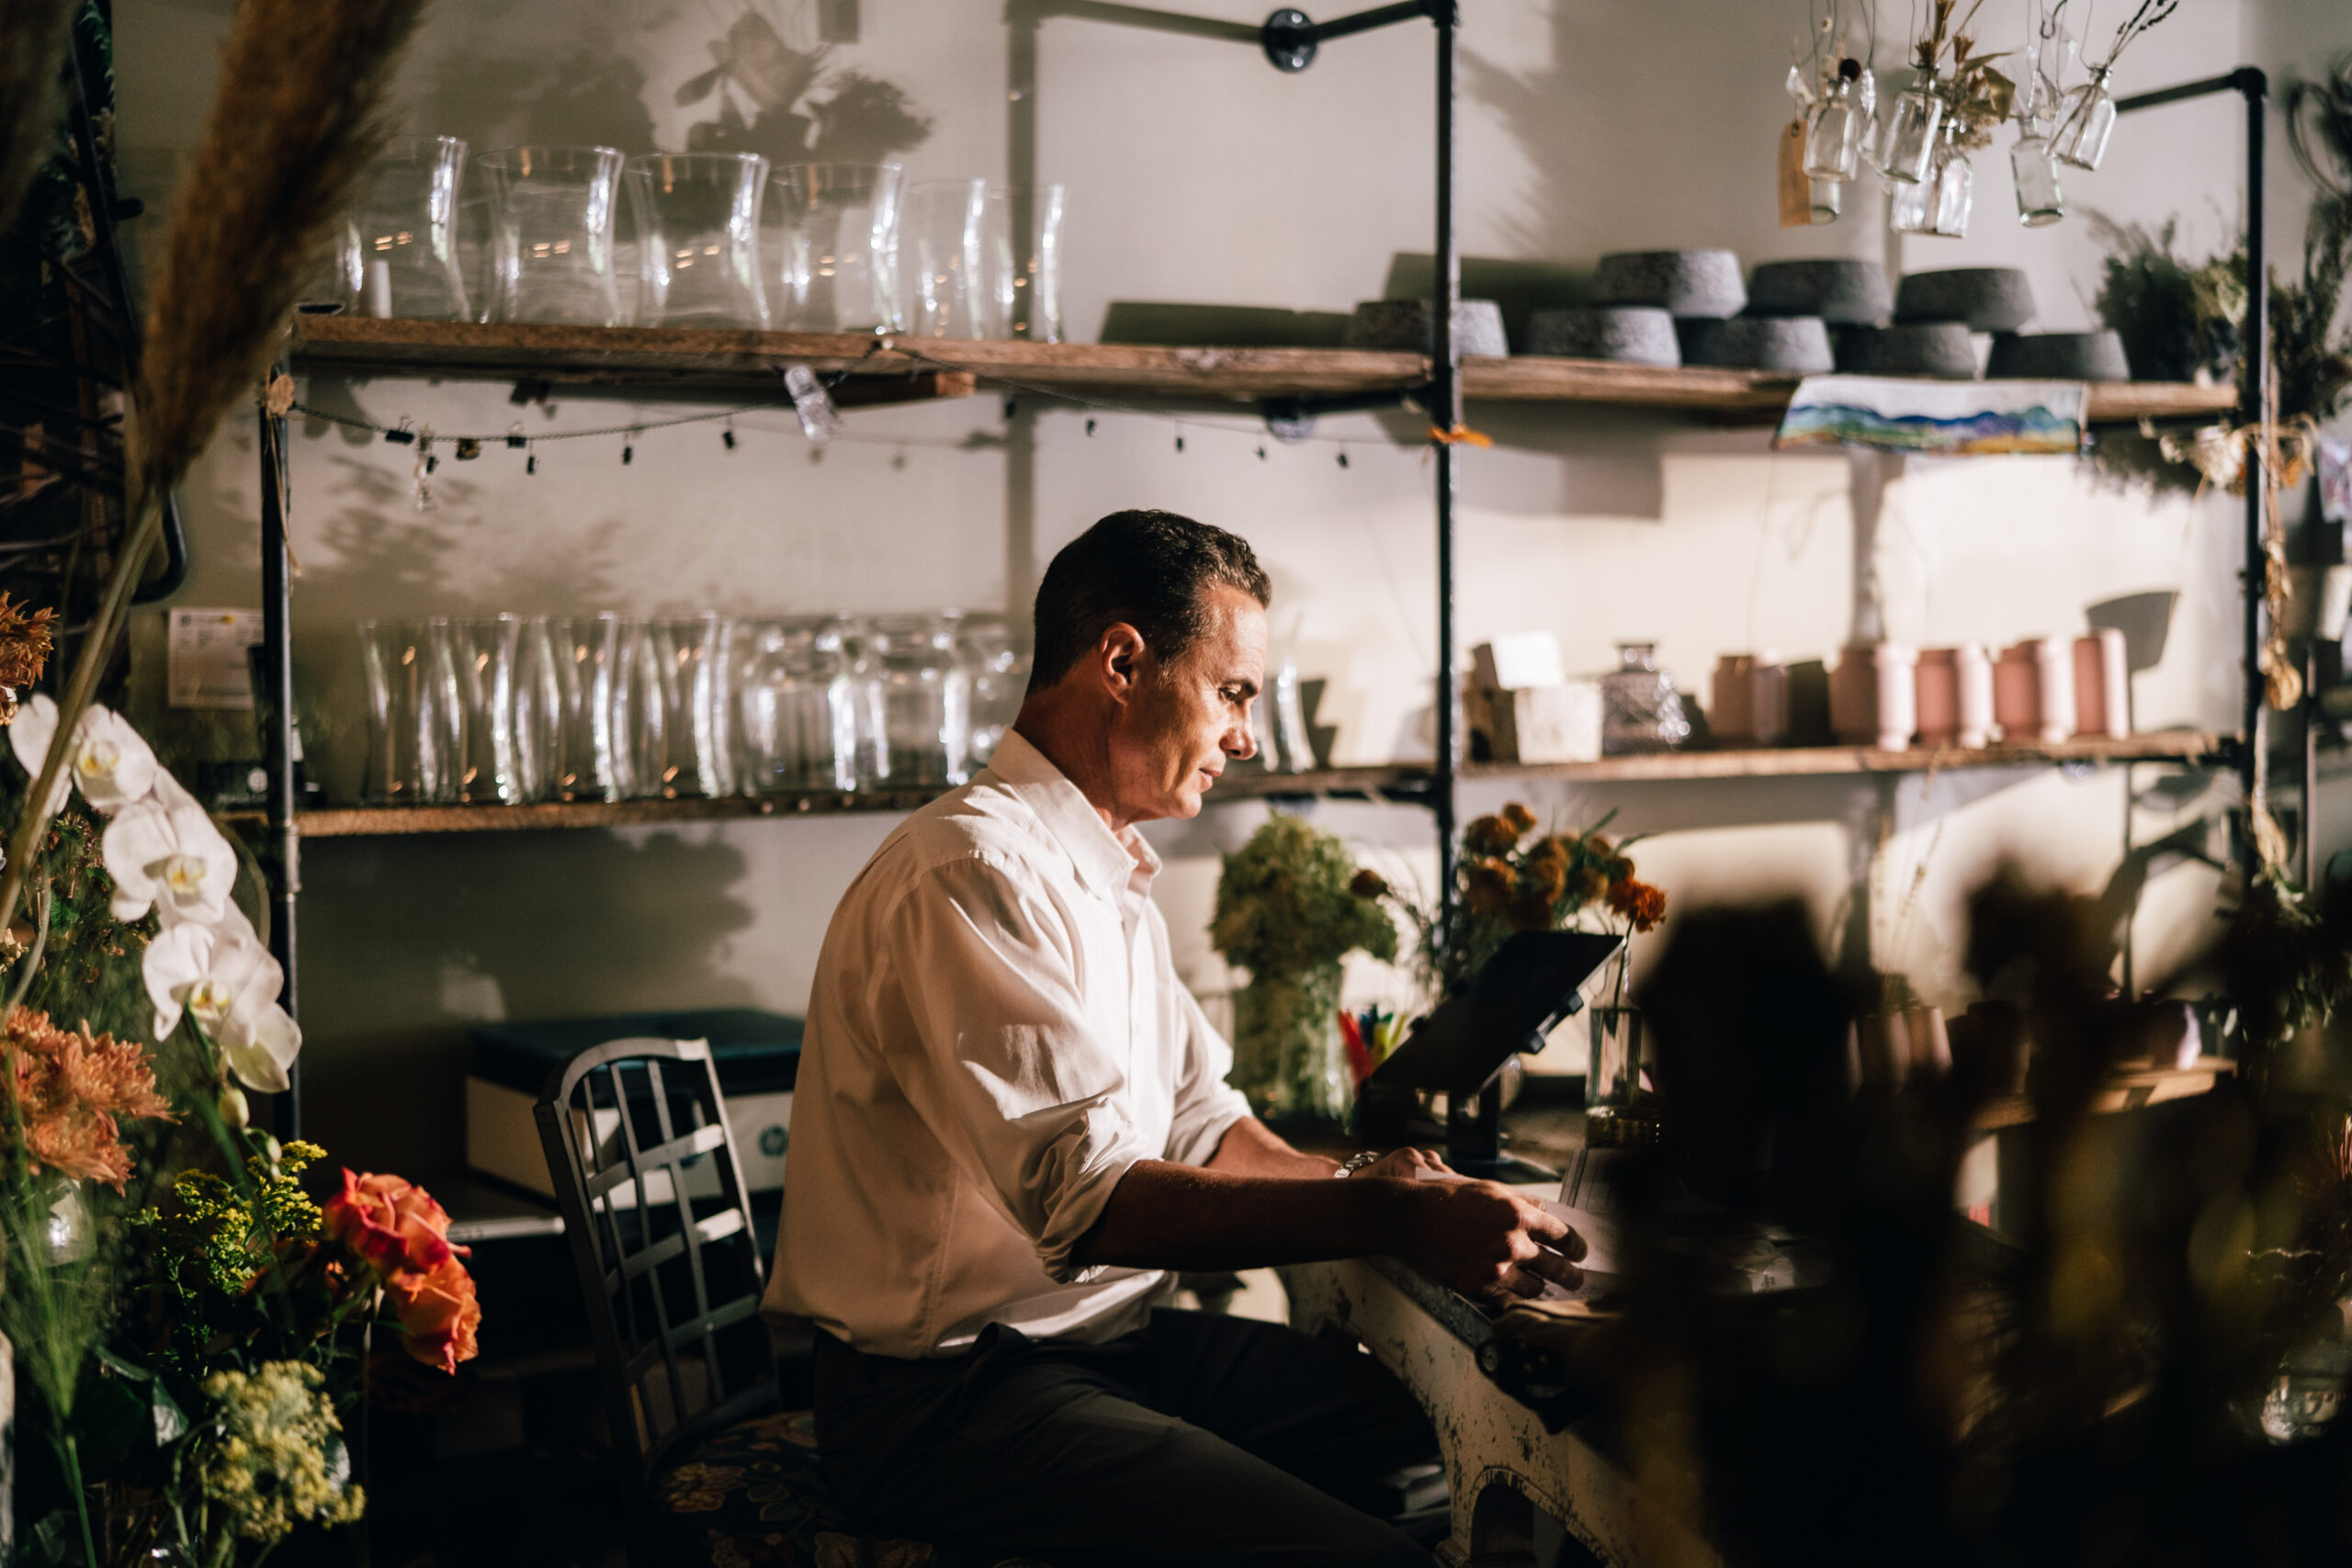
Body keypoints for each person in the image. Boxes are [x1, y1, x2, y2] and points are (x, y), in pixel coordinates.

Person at [764, 510, 1584, 1568]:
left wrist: (1399, 1193)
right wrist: (1381, 1211)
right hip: (944, 1398)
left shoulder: (1106, 874)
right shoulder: (969, 872)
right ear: (1121, 661)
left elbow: (1203, 1125)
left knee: (1446, 1433)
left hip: (1103, 1348)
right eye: (1233, 691)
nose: (1247, 735)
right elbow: (1092, 1200)